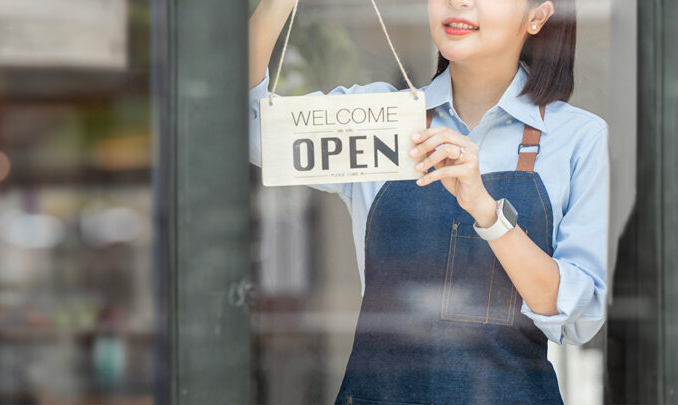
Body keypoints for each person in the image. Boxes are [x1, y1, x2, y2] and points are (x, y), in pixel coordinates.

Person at [248, 0, 609, 403]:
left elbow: (581, 316)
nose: (459, 1)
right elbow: (243, 120)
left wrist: (488, 214)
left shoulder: (577, 138)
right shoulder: (377, 118)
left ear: (538, 16)